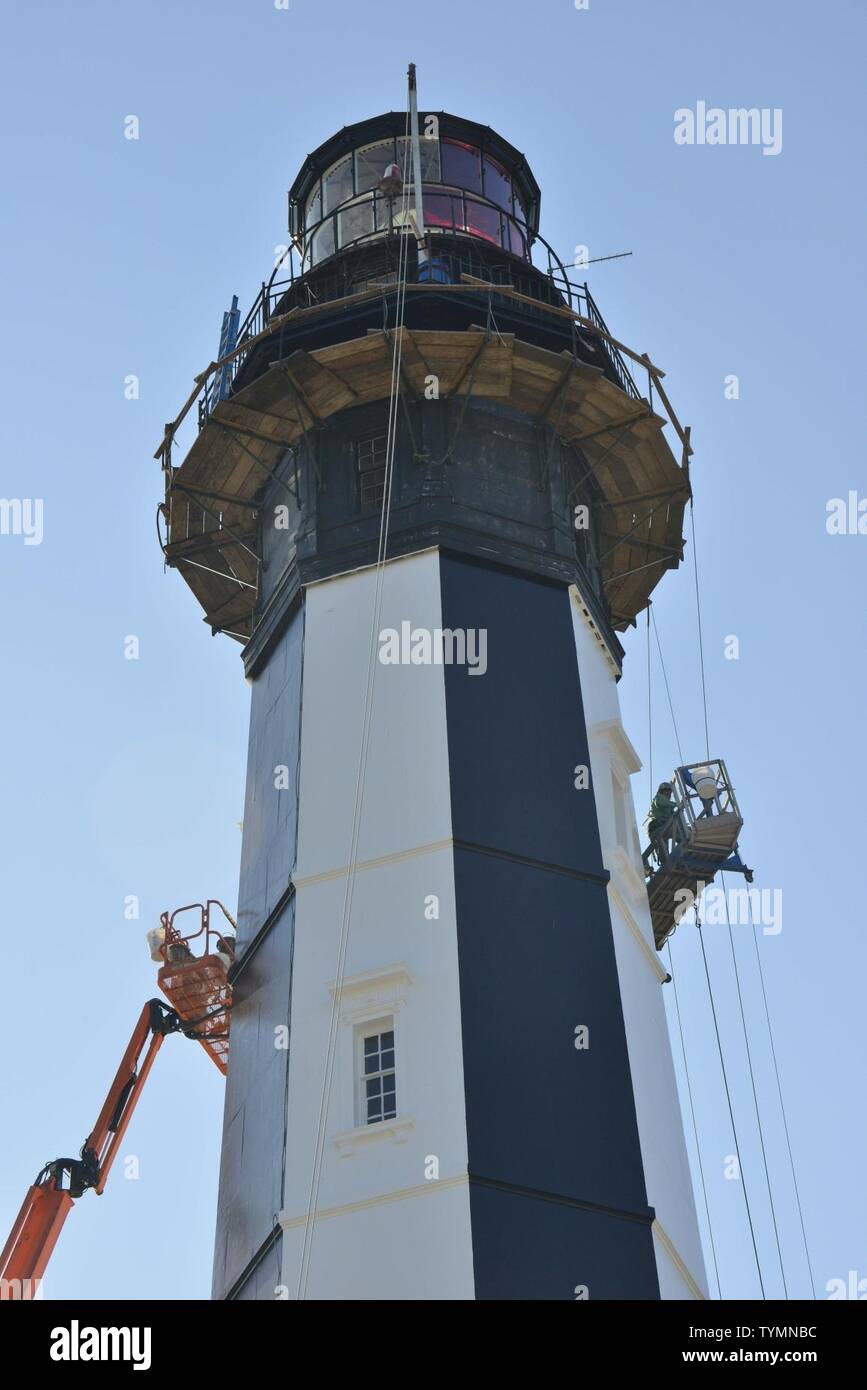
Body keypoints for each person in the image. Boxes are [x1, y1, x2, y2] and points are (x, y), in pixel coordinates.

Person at [647, 781, 677, 857]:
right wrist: (675, 804)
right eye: (667, 791)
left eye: (670, 792)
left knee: (664, 854)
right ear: (662, 791)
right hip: (657, 827)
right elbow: (662, 803)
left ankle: (669, 861)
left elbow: (671, 815)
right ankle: (681, 854)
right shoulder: (659, 798)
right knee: (680, 832)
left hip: (661, 829)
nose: (669, 794)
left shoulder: (666, 803)